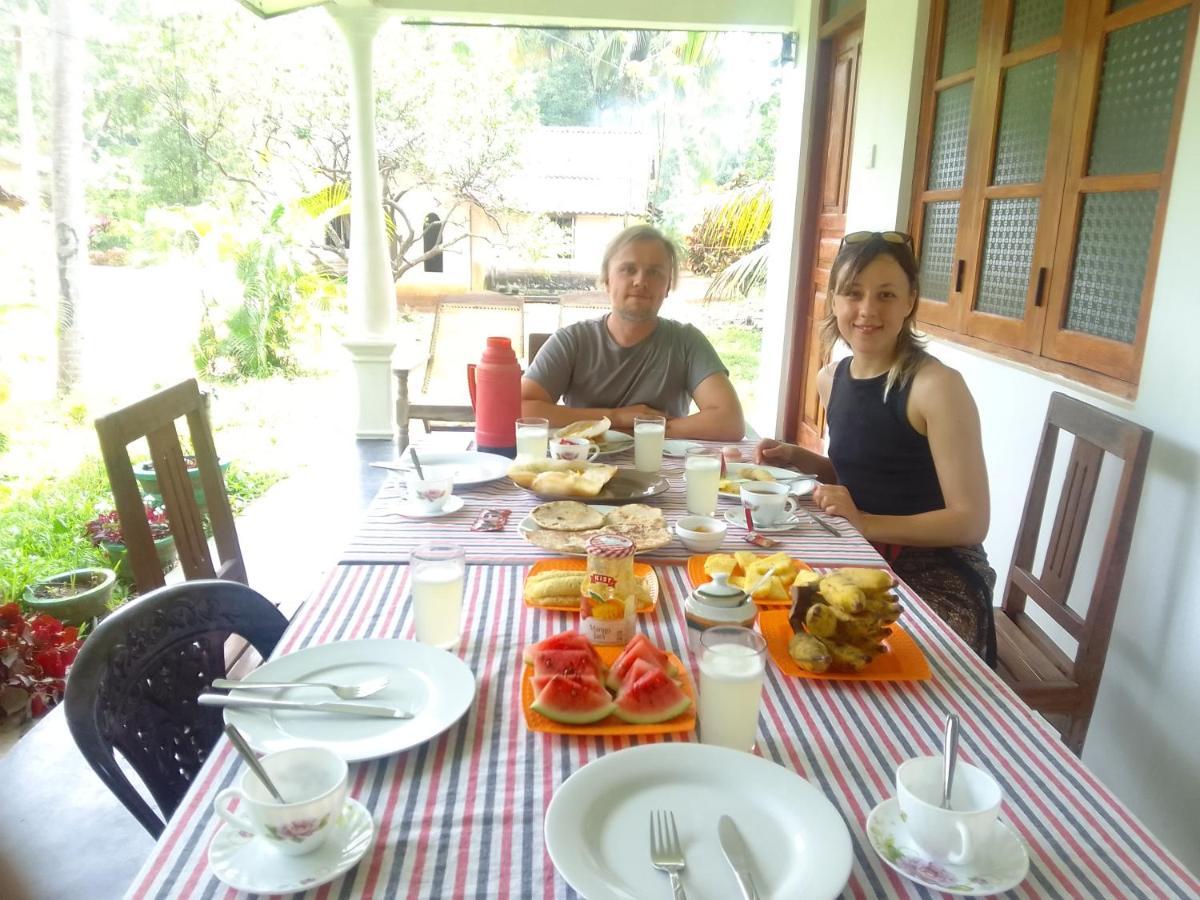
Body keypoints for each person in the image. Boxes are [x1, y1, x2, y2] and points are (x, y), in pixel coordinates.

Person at [756, 231, 996, 663]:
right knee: (765, 615)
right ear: (834, 300)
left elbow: (970, 521)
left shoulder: (935, 387)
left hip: (935, 577)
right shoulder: (831, 379)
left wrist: (865, 522)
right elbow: (867, 475)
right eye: (853, 293)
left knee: (833, 644)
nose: (867, 310)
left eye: (886, 294)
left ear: (910, 302)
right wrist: (797, 458)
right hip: (859, 558)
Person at [522, 225, 745, 441]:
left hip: (663, 472)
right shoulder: (571, 341)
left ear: (667, 287)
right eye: (628, 269)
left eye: (654, 272)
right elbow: (521, 408)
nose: (640, 281)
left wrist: (647, 429)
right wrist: (616, 417)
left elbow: (730, 421)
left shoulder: (687, 342)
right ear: (607, 281)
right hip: (582, 470)